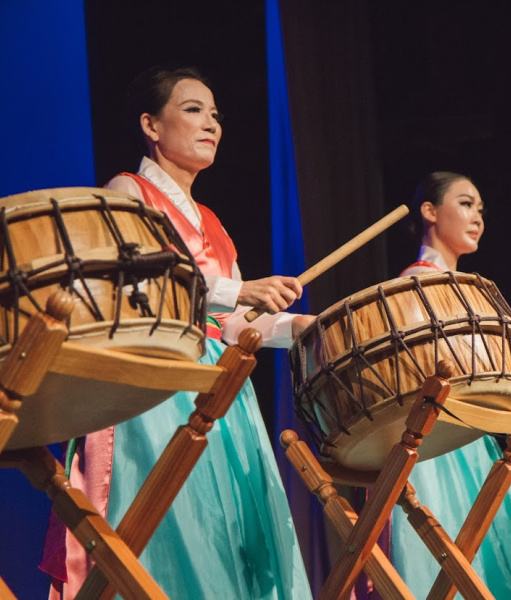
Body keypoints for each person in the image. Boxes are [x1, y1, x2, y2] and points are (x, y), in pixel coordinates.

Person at [40, 66, 314, 599]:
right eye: (193, 109)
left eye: (215, 114)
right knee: (173, 532)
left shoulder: (212, 221)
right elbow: (141, 279)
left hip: (220, 390)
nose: (211, 122)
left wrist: (298, 327)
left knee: (225, 537)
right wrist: (240, 291)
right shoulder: (128, 188)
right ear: (151, 125)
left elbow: (231, 325)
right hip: (156, 388)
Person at [389, 171, 511, 599]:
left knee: (488, 564)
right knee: (453, 557)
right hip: (437, 446)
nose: (477, 216)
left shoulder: (467, 287)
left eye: (480, 208)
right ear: (429, 211)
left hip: (470, 438)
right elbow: (457, 361)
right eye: (465, 204)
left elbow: (481, 376)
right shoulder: (418, 280)